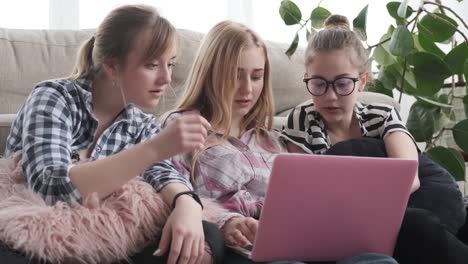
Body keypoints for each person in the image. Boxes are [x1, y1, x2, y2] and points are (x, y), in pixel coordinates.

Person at [0, 5, 223, 264]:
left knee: (207, 237)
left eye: (170, 64)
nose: (167, 78)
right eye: (152, 65)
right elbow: (51, 187)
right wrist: (154, 148)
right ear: (112, 67)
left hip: (101, 234)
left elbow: (164, 173)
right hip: (35, 233)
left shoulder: (140, 123)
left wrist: (188, 204)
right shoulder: (53, 98)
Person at [163, 20, 398, 264]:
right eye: (235, 75)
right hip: (239, 248)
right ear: (211, 72)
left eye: (256, 77)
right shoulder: (182, 126)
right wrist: (226, 222)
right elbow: (166, 191)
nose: (247, 89)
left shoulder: (273, 140)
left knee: (379, 261)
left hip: (297, 240)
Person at [281, 14, 468, 264]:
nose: (331, 96)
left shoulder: (381, 114)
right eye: (318, 84)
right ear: (307, 80)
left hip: (398, 208)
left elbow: (408, 177)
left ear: (363, 81)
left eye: (343, 84)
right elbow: (309, 192)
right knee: (418, 227)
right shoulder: (300, 120)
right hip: (341, 226)